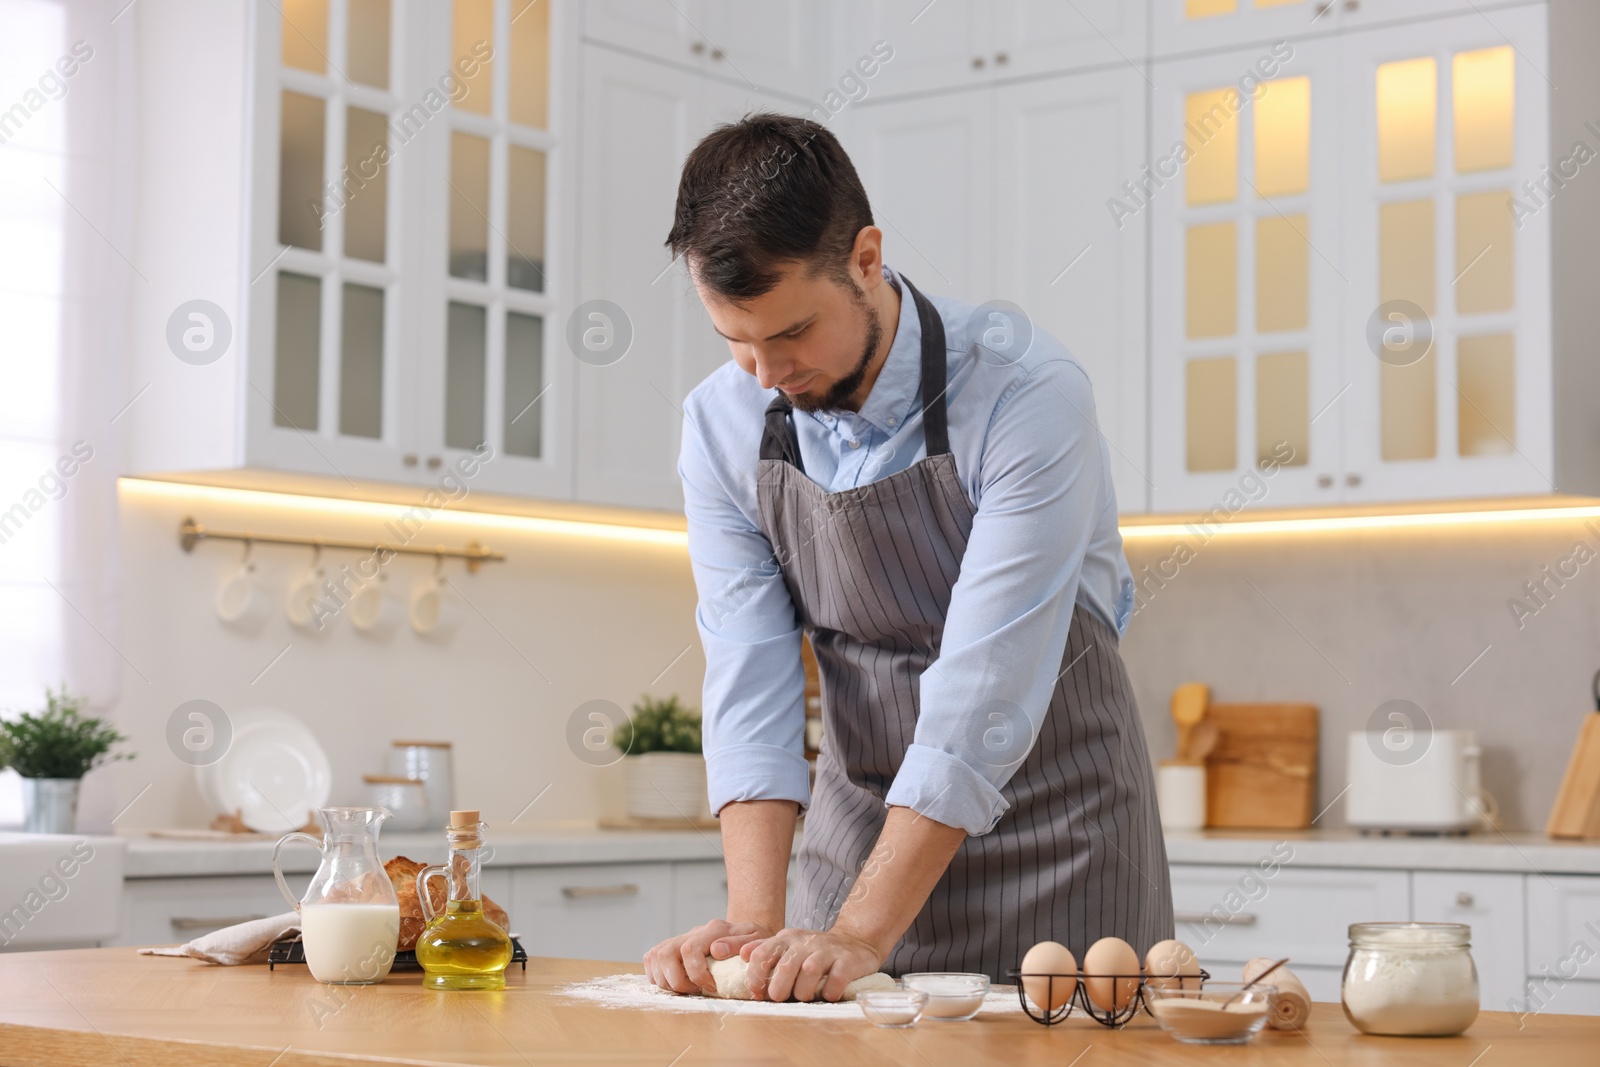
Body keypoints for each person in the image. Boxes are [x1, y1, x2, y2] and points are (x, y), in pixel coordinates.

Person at [643, 113, 1171, 1003]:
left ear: (865, 258)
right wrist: (754, 927)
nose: (766, 372)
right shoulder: (721, 422)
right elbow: (750, 674)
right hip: (856, 839)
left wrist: (860, 930)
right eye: (737, 339)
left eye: (792, 333)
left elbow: (985, 687)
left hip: (1061, 836)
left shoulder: (1025, 393)